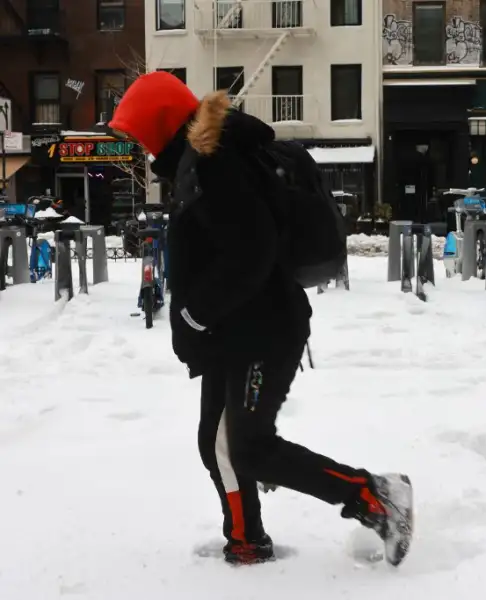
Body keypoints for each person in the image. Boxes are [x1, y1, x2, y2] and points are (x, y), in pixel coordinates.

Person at [108, 72, 412, 566]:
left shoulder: (215, 163)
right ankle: (246, 538)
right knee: (217, 441)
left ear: (159, 123)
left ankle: (376, 497)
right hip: (234, 330)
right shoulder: (195, 163)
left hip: (262, 330)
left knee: (249, 447)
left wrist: (193, 314)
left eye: (138, 131)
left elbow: (251, 253)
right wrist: (199, 321)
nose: (138, 144)